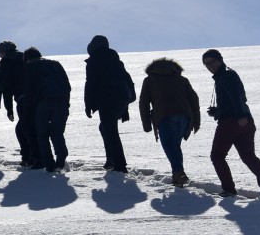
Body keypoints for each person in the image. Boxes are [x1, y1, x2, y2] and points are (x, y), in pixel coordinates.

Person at [201, 49, 260, 199]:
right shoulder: (227, 75)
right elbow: (238, 97)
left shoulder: (226, 75)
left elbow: (236, 97)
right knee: (248, 156)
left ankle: (229, 190)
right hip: (245, 122)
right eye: (206, 64)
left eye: (212, 62)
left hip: (232, 122)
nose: (209, 66)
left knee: (217, 156)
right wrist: (218, 111)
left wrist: (239, 116)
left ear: (220, 59)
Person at [138, 58, 200, 187]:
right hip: (184, 116)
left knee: (170, 146)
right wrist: (196, 121)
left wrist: (146, 124)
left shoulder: (149, 80)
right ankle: (177, 176)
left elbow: (143, 102)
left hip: (164, 116)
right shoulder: (182, 80)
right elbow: (194, 99)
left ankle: (179, 174)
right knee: (175, 146)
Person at [85, 35, 135, 173]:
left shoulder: (94, 61)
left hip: (106, 100)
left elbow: (90, 83)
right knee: (106, 128)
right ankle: (111, 160)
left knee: (110, 131)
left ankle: (119, 164)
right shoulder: (115, 60)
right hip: (121, 100)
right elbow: (127, 79)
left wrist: (88, 104)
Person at [0, 41, 39, 167]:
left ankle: (31, 158)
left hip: (22, 99)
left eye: (0, 53)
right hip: (35, 98)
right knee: (29, 128)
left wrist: (9, 109)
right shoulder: (24, 57)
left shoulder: (7, 61)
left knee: (22, 129)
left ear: (4, 51)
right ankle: (32, 156)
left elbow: (6, 86)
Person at [24, 47, 71, 172]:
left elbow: (30, 91)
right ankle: (61, 157)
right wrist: (66, 104)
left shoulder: (30, 68)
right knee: (57, 132)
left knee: (42, 134)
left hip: (42, 104)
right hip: (60, 103)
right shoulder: (55, 64)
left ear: (28, 58)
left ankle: (49, 164)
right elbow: (67, 86)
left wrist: (29, 109)